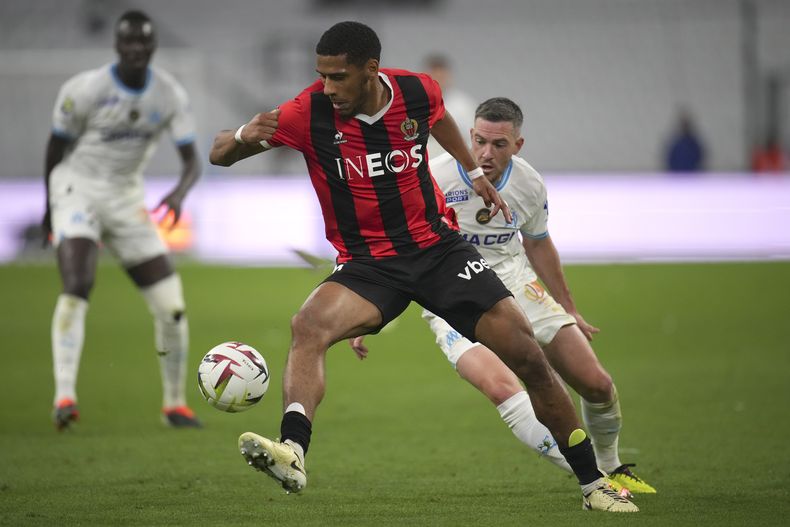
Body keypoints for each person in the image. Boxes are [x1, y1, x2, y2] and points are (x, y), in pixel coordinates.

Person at [209, 21, 637, 512]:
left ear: (371, 71)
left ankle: (594, 485)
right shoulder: (308, 112)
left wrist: (474, 171)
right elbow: (219, 155)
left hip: (438, 252)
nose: (328, 87)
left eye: (338, 76)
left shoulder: (416, 91)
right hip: (369, 265)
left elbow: (438, 118)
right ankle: (293, 451)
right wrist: (243, 133)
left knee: (528, 358)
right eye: (321, 75)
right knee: (307, 325)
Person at [350, 97, 656, 496]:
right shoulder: (434, 177)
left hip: (516, 284)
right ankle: (593, 478)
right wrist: (372, 308)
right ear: (468, 135)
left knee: (596, 383)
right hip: (452, 293)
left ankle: (613, 467)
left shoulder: (529, 183)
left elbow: (539, 243)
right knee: (502, 387)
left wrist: (569, 308)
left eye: (498, 145)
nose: (485, 153)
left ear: (518, 145)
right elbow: (401, 248)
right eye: (478, 141)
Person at [44, 10, 202, 430]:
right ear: (117, 45)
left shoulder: (168, 94)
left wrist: (179, 192)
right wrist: (50, 208)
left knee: (171, 308)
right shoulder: (85, 88)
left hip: (127, 198)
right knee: (78, 283)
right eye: (128, 41)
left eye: (143, 42)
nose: (135, 49)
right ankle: (65, 396)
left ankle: (175, 405)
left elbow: (192, 161)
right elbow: (55, 148)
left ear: (152, 46)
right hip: (78, 188)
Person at [423, 54, 477, 159]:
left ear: (448, 77)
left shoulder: (463, 105)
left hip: (453, 160)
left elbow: (472, 138)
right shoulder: (414, 102)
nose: (437, 80)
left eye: (441, 76)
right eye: (433, 76)